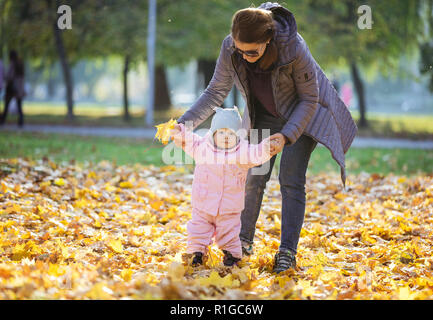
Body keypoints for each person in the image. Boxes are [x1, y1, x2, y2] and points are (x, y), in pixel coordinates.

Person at [175, 2, 358, 273]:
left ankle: (287, 252)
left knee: (291, 180)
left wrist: (287, 136)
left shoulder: (293, 47)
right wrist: (183, 124)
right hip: (265, 117)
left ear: (268, 39)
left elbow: (310, 98)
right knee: (254, 176)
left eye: (252, 51)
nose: (245, 55)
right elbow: (215, 91)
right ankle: (243, 240)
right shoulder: (230, 49)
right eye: (240, 50)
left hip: (301, 116)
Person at [170, 106, 273, 267]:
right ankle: (196, 253)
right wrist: (179, 132)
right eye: (222, 132)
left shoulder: (243, 152)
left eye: (231, 133)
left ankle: (232, 255)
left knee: (229, 233)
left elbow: (257, 153)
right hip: (203, 203)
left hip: (229, 207)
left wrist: (267, 147)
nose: (226, 137)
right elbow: (189, 140)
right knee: (198, 230)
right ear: (213, 133)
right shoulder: (202, 147)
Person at [0, 50, 26, 127]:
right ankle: (21, 121)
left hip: (12, 87)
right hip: (19, 87)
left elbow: (10, 76)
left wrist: (5, 77)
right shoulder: (20, 64)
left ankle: (2, 120)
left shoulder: (12, 64)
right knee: (19, 105)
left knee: (7, 104)